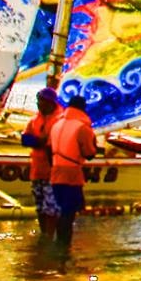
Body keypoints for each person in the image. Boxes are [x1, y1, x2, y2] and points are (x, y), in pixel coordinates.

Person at [48, 93, 98, 246]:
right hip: (72, 175)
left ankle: (57, 244)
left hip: (55, 173)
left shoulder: (56, 124)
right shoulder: (82, 127)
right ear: (83, 108)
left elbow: (49, 149)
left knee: (59, 211)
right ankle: (64, 247)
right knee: (68, 214)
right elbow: (89, 154)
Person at [19, 89, 60, 236]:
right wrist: (38, 141)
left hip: (53, 171)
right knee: (40, 206)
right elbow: (25, 139)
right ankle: (44, 234)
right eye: (38, 101)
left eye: (41, 101)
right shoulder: (35, 119)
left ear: (50, 103)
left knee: (51, 207)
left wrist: (39, 141)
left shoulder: (59, 119)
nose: (38, 104)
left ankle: (50, 235)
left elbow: (52, 144)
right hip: (37, 169)